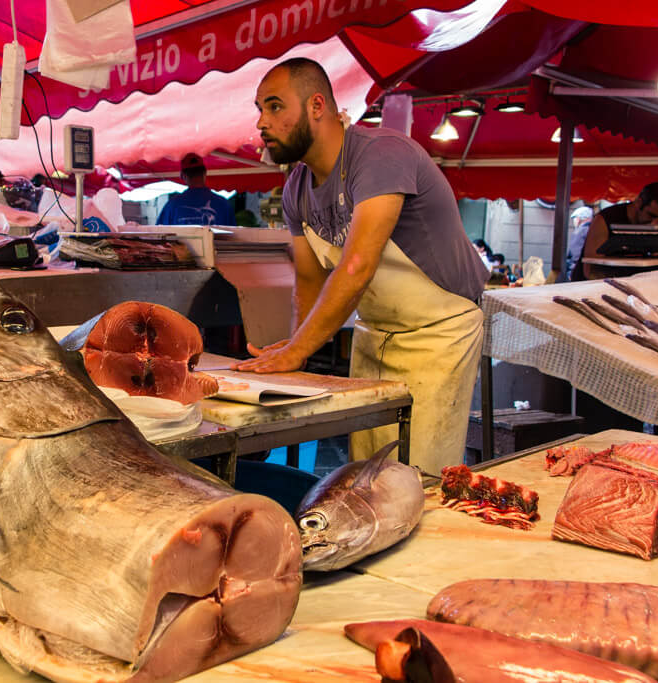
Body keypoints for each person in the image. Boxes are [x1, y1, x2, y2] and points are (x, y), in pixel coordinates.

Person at [237, 57, 489, 474]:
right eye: (259, 109)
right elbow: (310, 277)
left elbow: (357, 266)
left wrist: (300, 349)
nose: (262, 122)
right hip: (374, 334)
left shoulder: (380, 156)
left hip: (439, 336)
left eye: (275, 106)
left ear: (317, 106)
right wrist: (297, 342)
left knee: (416, 479)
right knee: (363, 477)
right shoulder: (296, 189)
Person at [573, 181, 658, 281]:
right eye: (651, 215)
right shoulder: (606, 219)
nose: (655, 222)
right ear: (639, 202)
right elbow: (590, 268)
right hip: (593, 285)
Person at [156, 153, 236, 226]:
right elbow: (234, 238)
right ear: (205, 173)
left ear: (183, 176)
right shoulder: (224, 205)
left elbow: (159, 236)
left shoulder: (171, 206)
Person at [562, 205, 593, 282]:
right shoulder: (593, 230)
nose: (574, 221)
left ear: (579, 219)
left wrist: (571, 273)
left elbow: (575, 255)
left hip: (577, 272)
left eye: (574, 218)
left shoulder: (580, 231)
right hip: (589, 271)